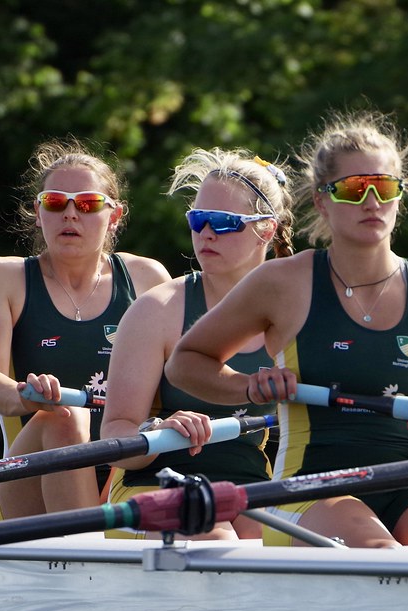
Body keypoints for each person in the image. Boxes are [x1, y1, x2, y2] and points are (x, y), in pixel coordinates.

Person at [166, 111, 408, 548]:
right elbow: (185, 364)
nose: (372, 200)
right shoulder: (283, 284)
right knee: (380, 552)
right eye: (354, 189)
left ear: (400, 196)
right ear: (321, 199)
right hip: (310, 485)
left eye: (385, 187)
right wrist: (250, 387)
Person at [0, 138, 171, 521]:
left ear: (114, 215)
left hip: (126, 472)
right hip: (28, 483)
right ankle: (89, 556)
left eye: (89, 204)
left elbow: (175, 382)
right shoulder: (0, 277)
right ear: (38, 211)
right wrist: (30, 397)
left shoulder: (147, 277)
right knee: (65, 416)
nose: (70, 214)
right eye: (56, 202)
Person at [100, 149, 294, 540]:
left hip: (249, 488)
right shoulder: (157, 310)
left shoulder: (293, 315)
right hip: (153, 483)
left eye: (223, 222)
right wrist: (156, 429)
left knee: (288, 539)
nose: (206, 232)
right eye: (198, 219)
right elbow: (113, 434)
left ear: (267, 229)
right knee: (218, 540)